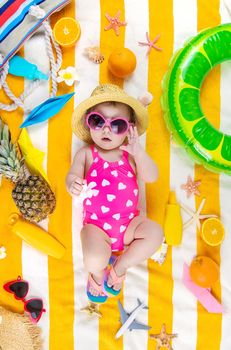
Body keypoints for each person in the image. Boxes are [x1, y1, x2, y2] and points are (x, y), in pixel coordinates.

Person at [66, 84, 163, 303]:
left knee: (155, 233)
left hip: (130, 227)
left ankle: (120, 266)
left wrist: (139, 153)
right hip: (96, 228)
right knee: (93, 258)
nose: (106, 130)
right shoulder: (86, 154)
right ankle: (98, 274)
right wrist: (73, 183)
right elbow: (71, 175)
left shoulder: (130, 155)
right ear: (87, 123)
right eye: (98, 121)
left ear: (130, 129)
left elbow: (151, 176)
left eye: (117, 124)